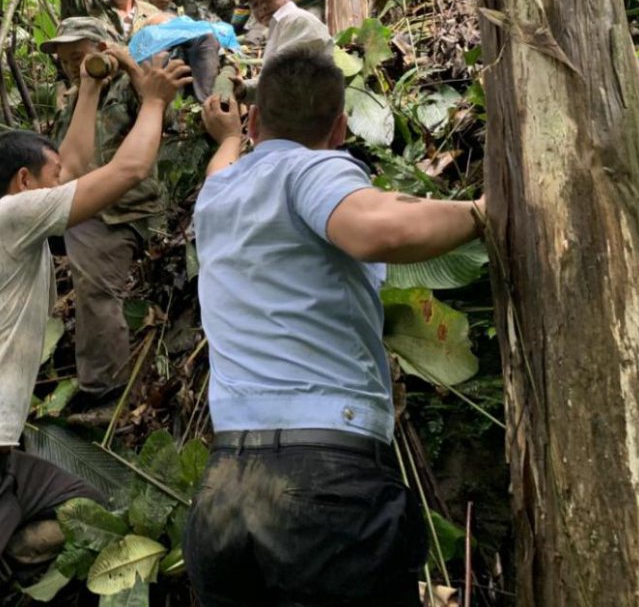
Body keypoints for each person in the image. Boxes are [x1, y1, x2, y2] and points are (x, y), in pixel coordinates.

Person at [183, 44, 485, 606]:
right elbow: (371, 229)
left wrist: (226, 139)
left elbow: (222, 165)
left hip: (225, 495)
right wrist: (482, 213)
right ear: (341, 128)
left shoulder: (218, 194)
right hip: (325, 489)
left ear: (253, 120)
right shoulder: (313, 167)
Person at [0, 48, 191, 606]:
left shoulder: (2, 224)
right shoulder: (5, 218)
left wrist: (90, 89)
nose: (63, 182)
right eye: (51, 178)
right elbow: (127, 170)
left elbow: (72, 169)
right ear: (24, 183)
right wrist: (153, 102)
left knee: (95, 517)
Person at [37, 17, 168, 419]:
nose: (74, 67)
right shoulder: (78, 97)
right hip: (78, 204)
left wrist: (127, 64)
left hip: (122, 210)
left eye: (80, 56)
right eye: (65, 62)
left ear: (104, 47)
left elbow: (166, 115)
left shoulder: (134, 86)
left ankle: (106, 391)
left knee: (94, 287)